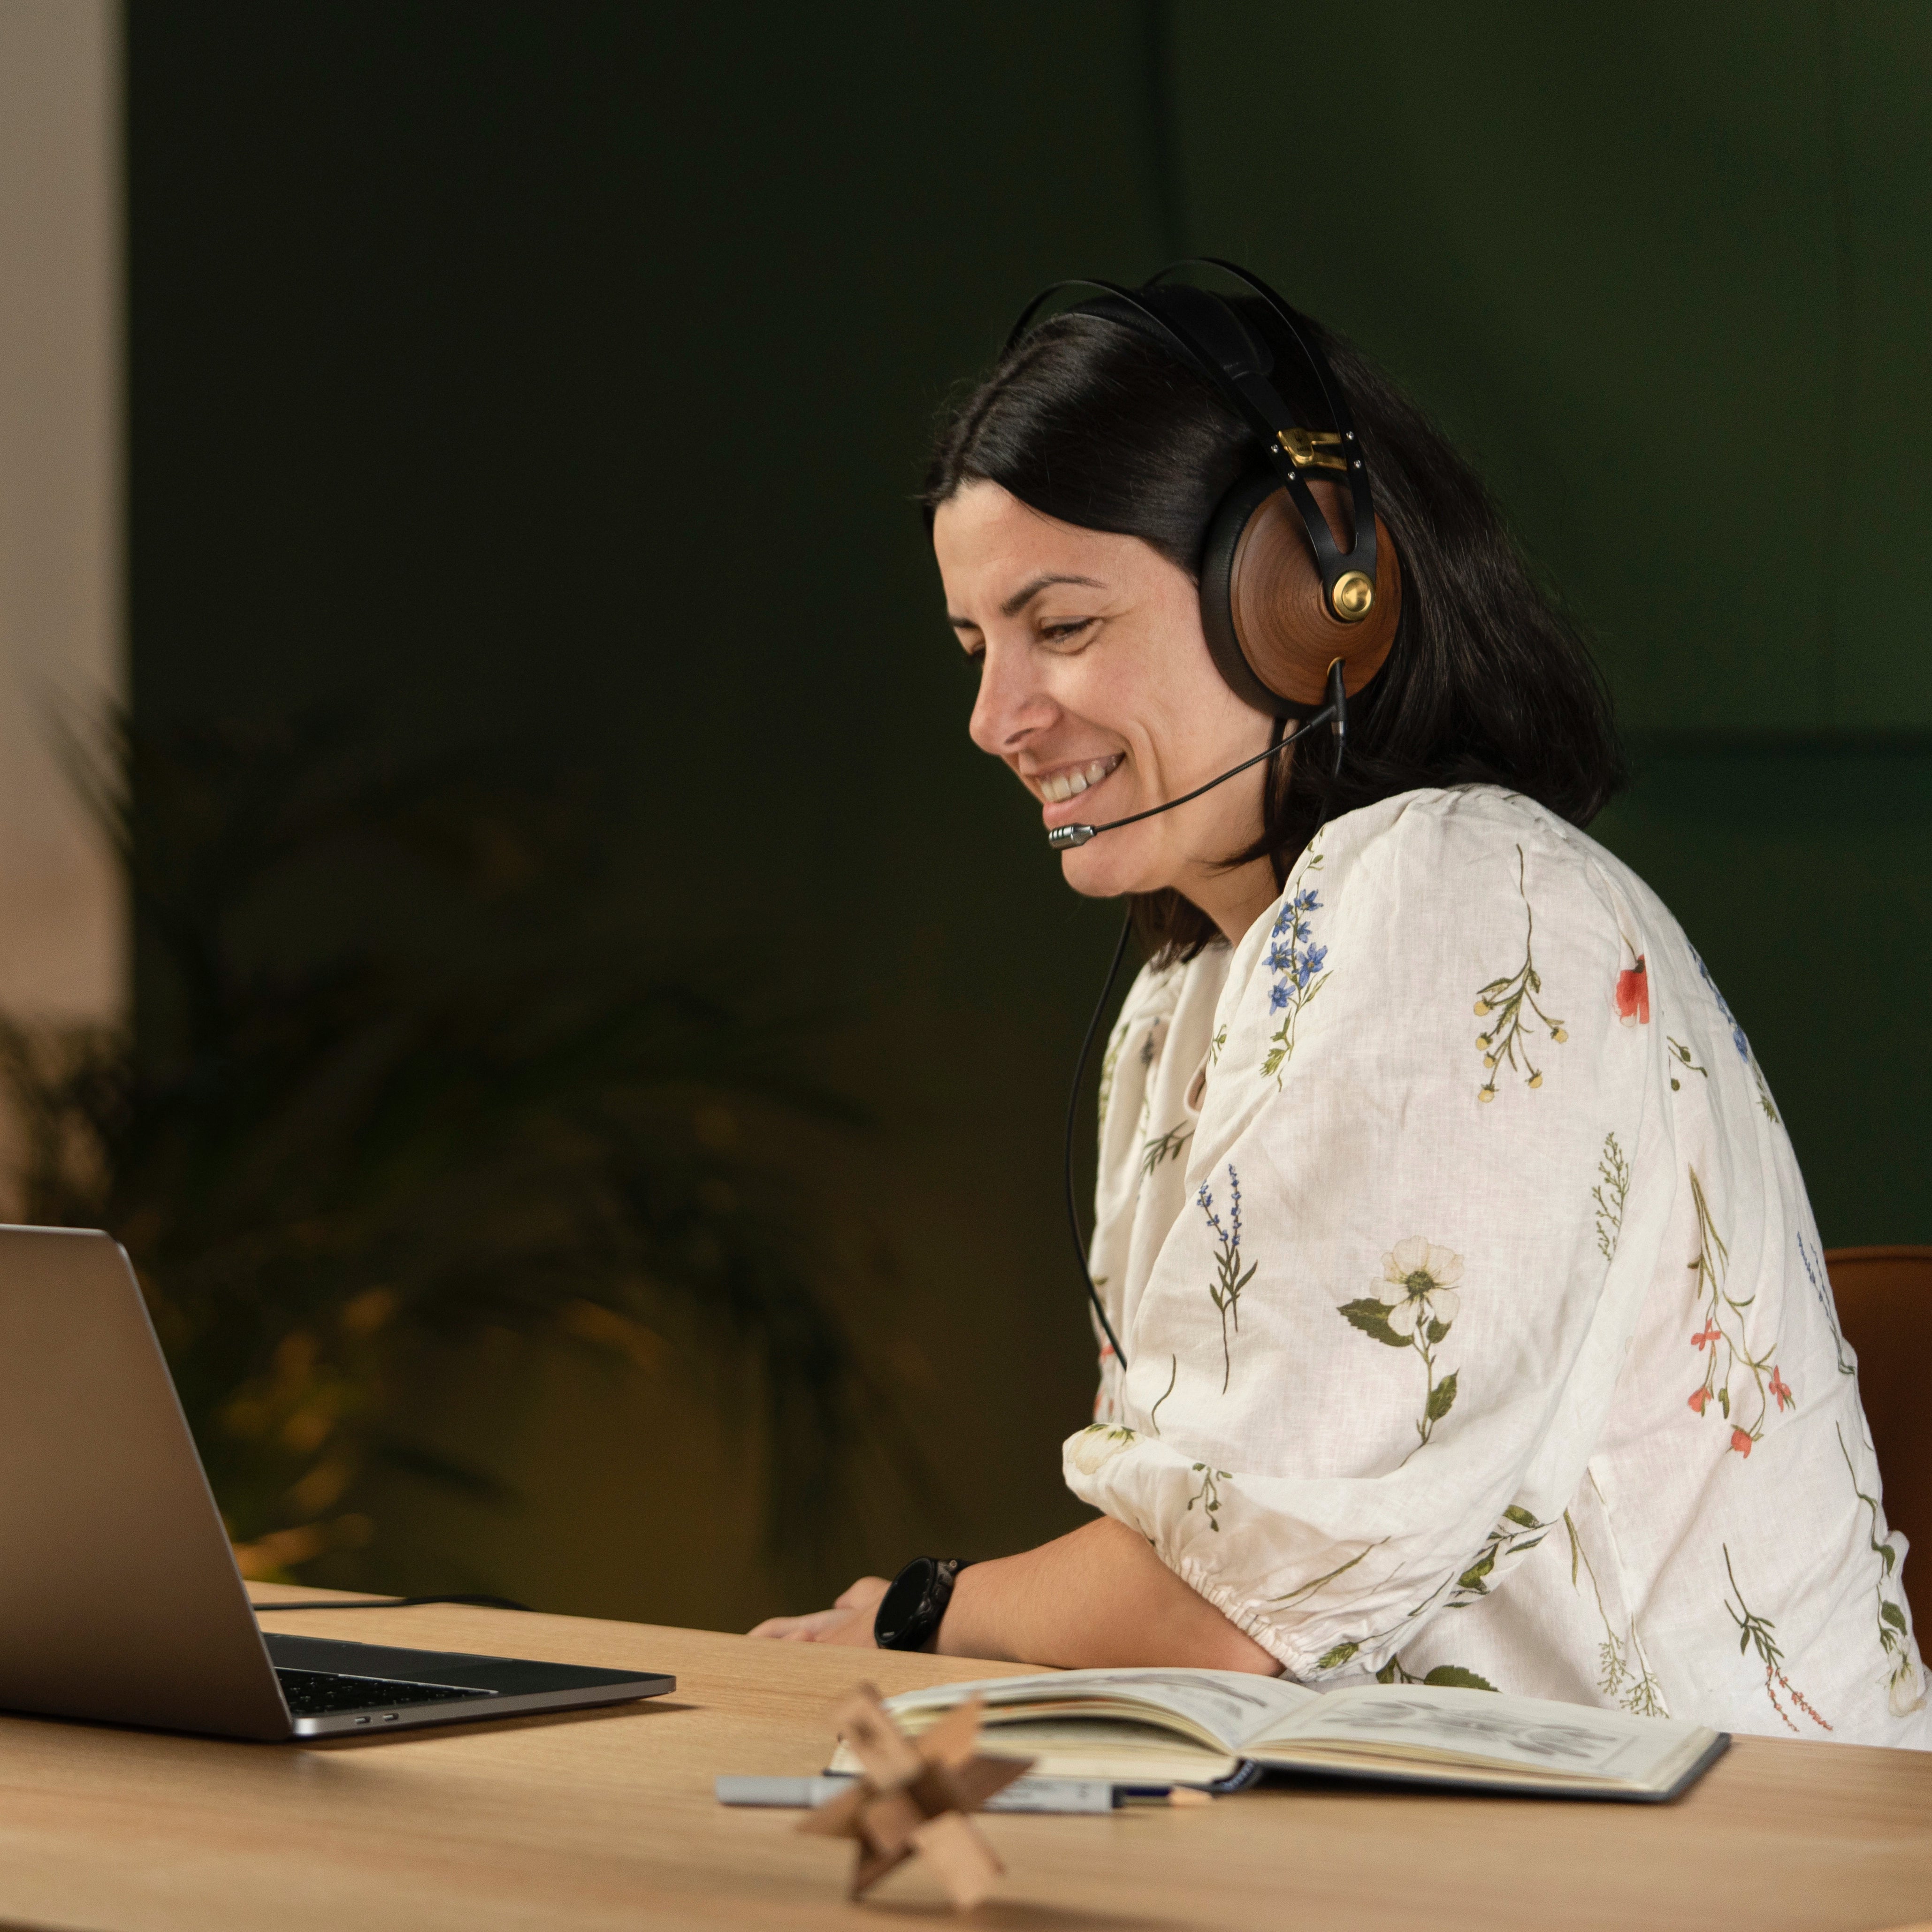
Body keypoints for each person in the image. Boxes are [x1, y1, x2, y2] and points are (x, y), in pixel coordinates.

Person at [749, 277, 1929, 1747]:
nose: (998, 718)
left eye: (1059, 624)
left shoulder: (1462, 896)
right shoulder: (1189, 996)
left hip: (1713, 1872)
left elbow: (1228, 1614)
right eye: (976, 645)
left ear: (1309, 599)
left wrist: (907, 1616)